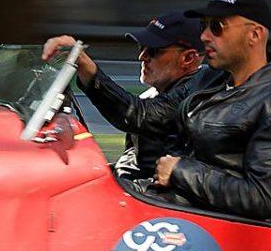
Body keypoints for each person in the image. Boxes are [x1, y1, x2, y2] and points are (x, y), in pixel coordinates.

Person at [46, 0, 271, 222]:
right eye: (205, 26)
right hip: (164, 206)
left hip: (203, 230)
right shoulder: (209, 80)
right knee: (62, 191)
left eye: (217, 27)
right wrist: (85, 67)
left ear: (254, 35)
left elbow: (263, 200)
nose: (205, 36)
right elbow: (143, 116)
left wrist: (181, 170)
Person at [47, 12, 217, 180]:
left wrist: (86, 66)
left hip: (158, 199)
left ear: (187, 58)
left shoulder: (199, 93)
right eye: (142, 47)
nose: (142, 56)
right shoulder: (155, 93)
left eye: (153, 51)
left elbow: (137, 115)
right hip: (133, 191)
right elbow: (132, 160)